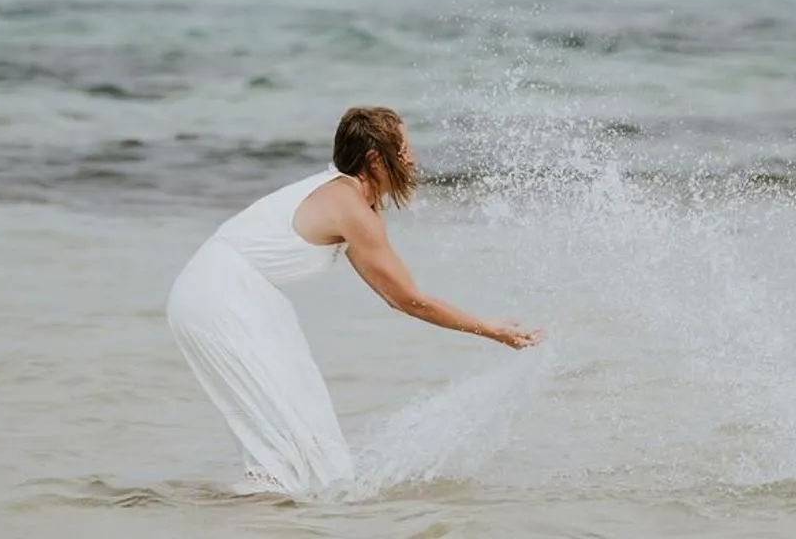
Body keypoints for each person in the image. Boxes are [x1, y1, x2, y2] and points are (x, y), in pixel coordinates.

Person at [166, 106, 540, 497]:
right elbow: (408, 300)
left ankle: (297, 516)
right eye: (405, 148)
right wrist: (489, 329)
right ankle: (241, 516)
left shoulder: (349, 196)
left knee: (309, 428)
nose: (412, 158)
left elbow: (396, 292)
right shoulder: (351, 208)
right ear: (376, 159)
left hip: (237, 290)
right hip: (219, 293)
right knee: (280, 449)